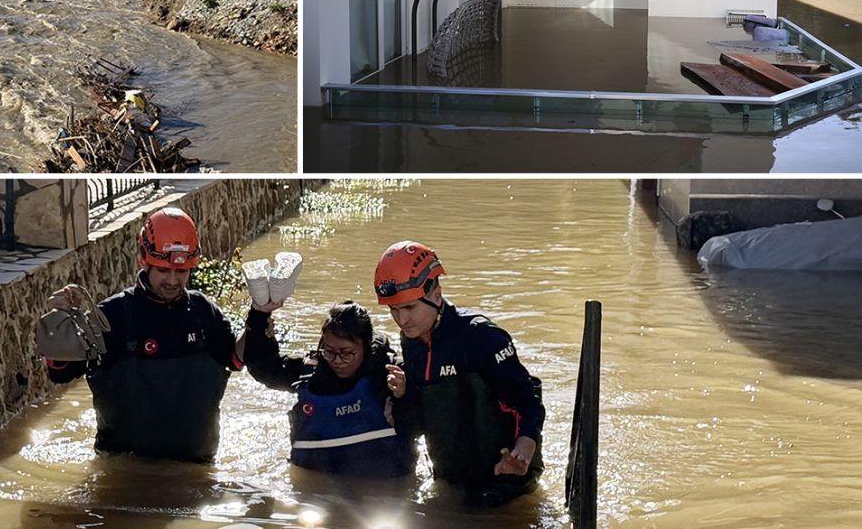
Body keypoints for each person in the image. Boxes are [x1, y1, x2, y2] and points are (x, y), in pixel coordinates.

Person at [44, 207, 245, 463]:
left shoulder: (203, 311)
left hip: (195, 468)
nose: (172, 281)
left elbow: (235, 359)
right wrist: (61, 322)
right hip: (124, 468)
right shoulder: (111, 316)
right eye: (163, 270)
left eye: (181, 272)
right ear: (143, 261)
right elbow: (60, 372)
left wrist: (259, 316)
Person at [374, 240, 545, 506]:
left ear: (436, 295)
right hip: (451, 481)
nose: (401, 320)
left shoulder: (482, 337)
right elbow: (419, 424)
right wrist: (401, 397)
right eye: (393, 310)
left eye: (409, 308)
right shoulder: (412, 340)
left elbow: (527, 401)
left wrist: (524, 449)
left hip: (504, 482)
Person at [243, 300, 415, 478]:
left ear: (366, 346)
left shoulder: (392, 375)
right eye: (330, 351)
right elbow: (262, 368)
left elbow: (422, 422)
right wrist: (259, 316)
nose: (337, 361)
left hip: (383, 483)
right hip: (317, 481)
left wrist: (403, 396)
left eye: (347, 353)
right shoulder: (311, 373)